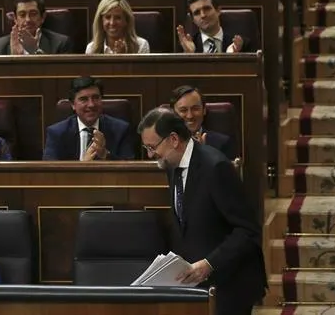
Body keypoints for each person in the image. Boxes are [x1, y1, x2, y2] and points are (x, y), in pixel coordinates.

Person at [137, 108, 266, 315]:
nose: (151, 154)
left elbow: (247, 230)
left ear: (173, 139)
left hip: (229, 284)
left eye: (152, 147)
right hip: (199, 285)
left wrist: (209, 264)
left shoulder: (215, 167)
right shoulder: (172, 166)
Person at [43, 76, 135, 161]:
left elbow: (129, 170)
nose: (91, 104)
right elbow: (49, 172)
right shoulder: (56, 133)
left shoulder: (120, 129)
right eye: (83, 99)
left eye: (95, 98)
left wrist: (105, 154)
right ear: (72, 105)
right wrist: (81, 167)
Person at [0, 0, 72, 55]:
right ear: (15, 19)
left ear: (43, 17)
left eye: (33, 14)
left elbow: (61, 76)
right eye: (22, 15)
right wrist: (14, 60)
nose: (28, 20)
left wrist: (35, 51)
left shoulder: (60, 44)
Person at [170, 85, 237, 161]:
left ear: (204, 110)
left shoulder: (223, 143)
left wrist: (204, 153)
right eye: (183, 110)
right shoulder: (164, 143)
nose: (190, 116)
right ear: (173, 113)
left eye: (195, 109)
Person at [177, 0, 254, 53]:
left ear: (218, 11)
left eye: (207, 9)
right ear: (193, 20)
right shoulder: (186, 47)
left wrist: (233, 58)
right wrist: (189, 55)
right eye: (197, 13)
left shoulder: (242, 45)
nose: (203, 15)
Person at [85, 0, 150, 54]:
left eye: (118, 18)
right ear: (100, 21)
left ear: (126, 20)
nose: (112, 23)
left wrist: (124, 56)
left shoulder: (141, 46)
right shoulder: (91, 49)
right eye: (107, 17)